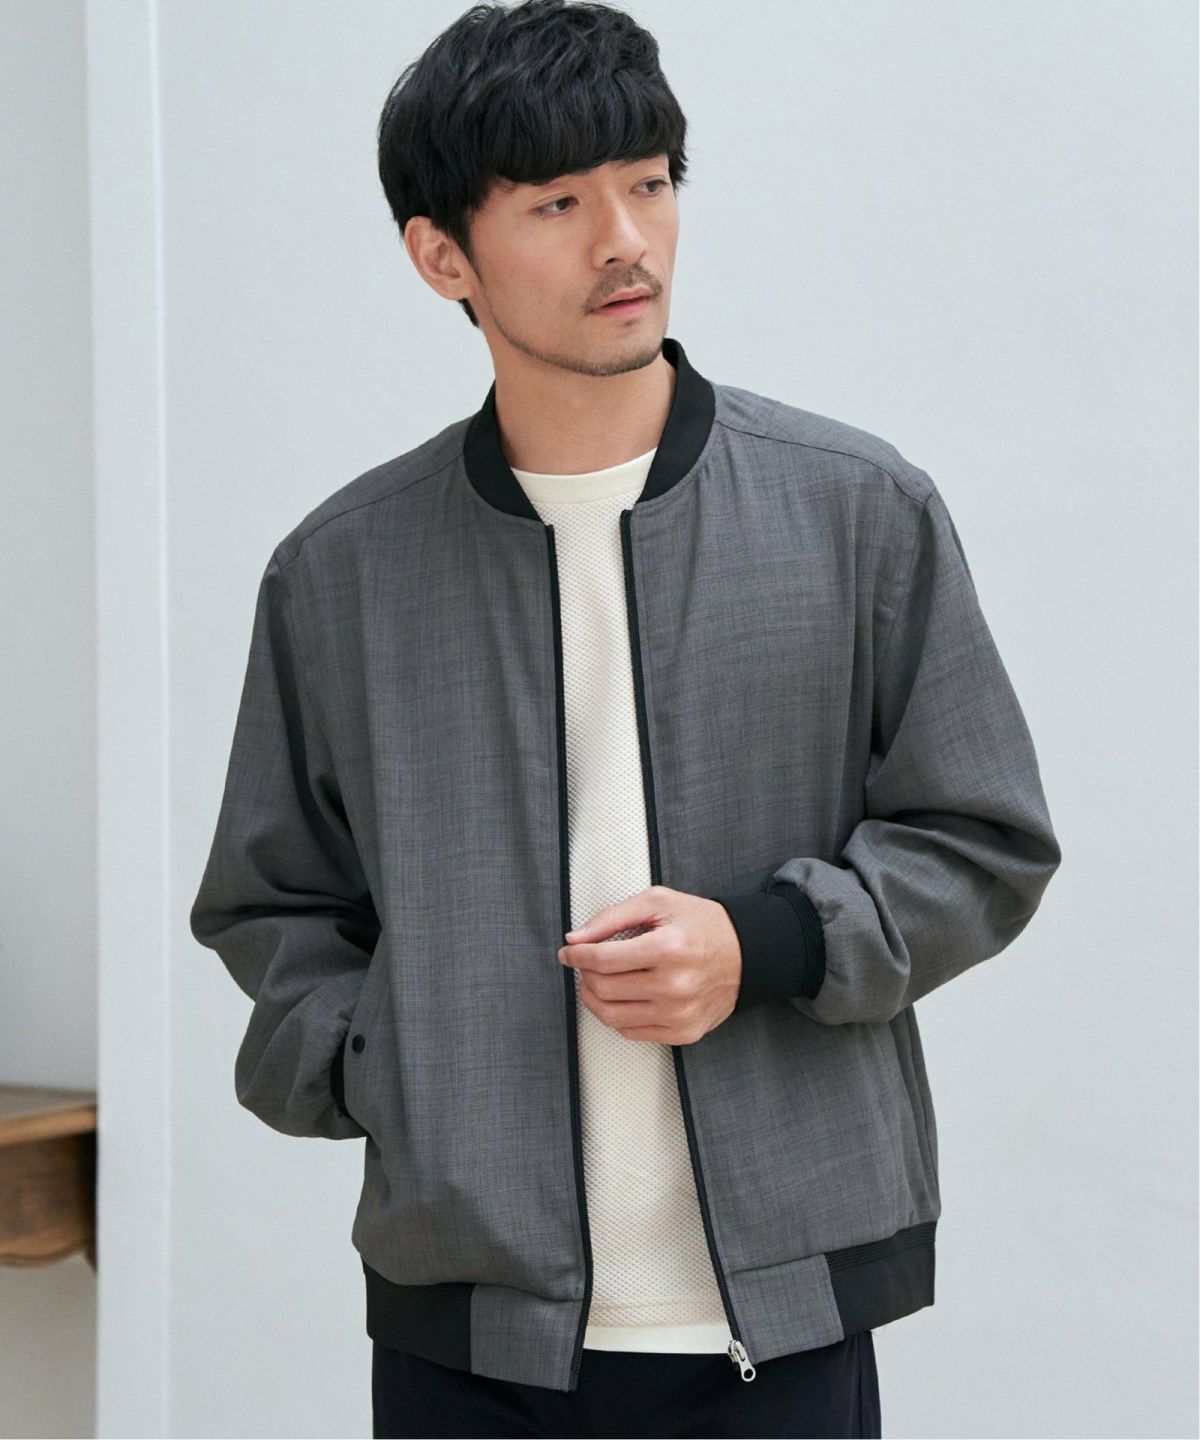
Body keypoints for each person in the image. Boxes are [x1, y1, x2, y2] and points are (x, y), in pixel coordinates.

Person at [189, 2, 1062, 1436]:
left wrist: (767, 944)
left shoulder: (855, 513)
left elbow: (985, 837)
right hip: (468, 1341)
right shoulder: (342, 574)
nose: (626, 241)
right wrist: (392, 1062)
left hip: (778, 1331)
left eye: (649, 184)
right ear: (442, 256)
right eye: (558, 203)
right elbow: (270, 904)